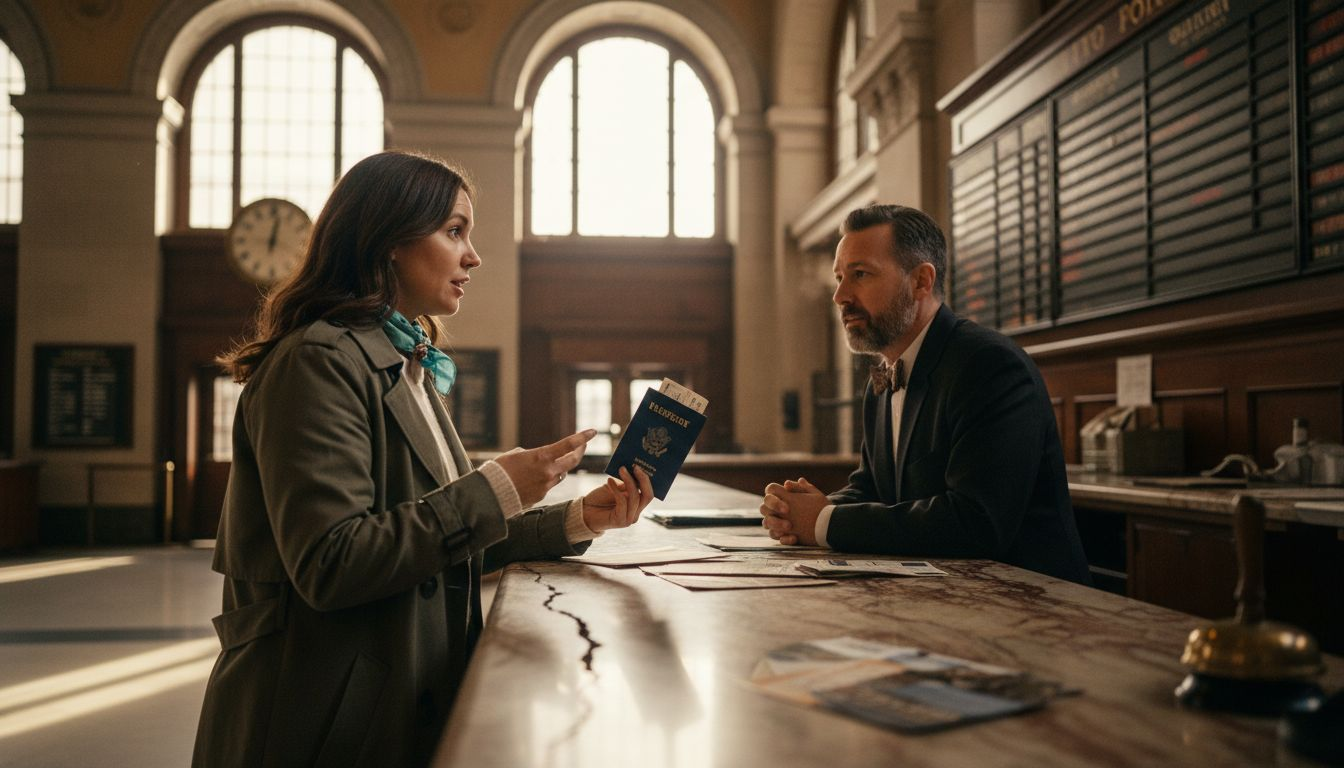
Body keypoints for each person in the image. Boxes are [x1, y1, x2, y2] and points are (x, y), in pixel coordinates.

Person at [192, 150, 654, 767]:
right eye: (454, 231)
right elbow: (334, 562)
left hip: (388, 698)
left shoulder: (406, 362)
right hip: (318, 715)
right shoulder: (318, 362)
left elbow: (440, 542)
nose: (474, 256)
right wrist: (494, 488)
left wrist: (578, 518)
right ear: (388, 242)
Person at [760, 204, 1090, 585]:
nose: (840, 296)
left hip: (1035, 607)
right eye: (838, 277)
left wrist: (824, 522)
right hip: (946, 597)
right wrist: (802, 511)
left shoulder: (989, 365)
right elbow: (874, 488)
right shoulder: (883, 376)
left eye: (860, 274)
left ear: (921, 282)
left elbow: (977, 521)